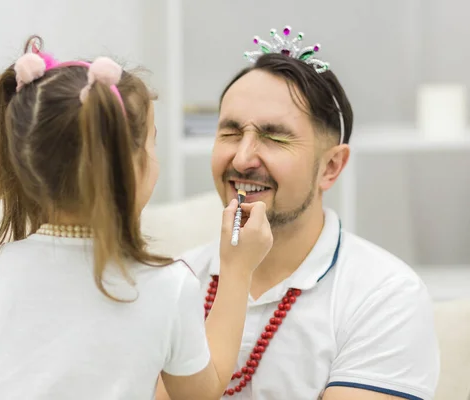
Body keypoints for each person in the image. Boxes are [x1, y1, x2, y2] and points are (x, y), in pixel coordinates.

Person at [0, 36, 273, 399]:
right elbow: (201, 393)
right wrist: (238, 269)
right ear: (126, 165)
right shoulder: (167, 286)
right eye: (152, 142)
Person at [176, 26, 440, 399]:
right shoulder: (177, 280)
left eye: (275, 137)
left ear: (331, 167)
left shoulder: (385, 295)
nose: (243, 158)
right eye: (231, 133)